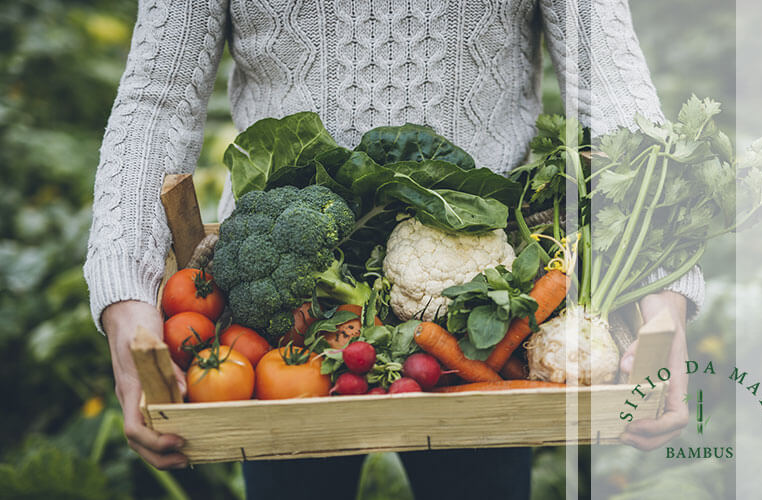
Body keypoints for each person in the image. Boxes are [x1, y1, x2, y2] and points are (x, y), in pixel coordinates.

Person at [85, 0, 704, 498]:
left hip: (485, 312)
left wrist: (663, 294)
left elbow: (612, 81)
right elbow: (156, 99)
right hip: (283, 314)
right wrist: (126, 296)